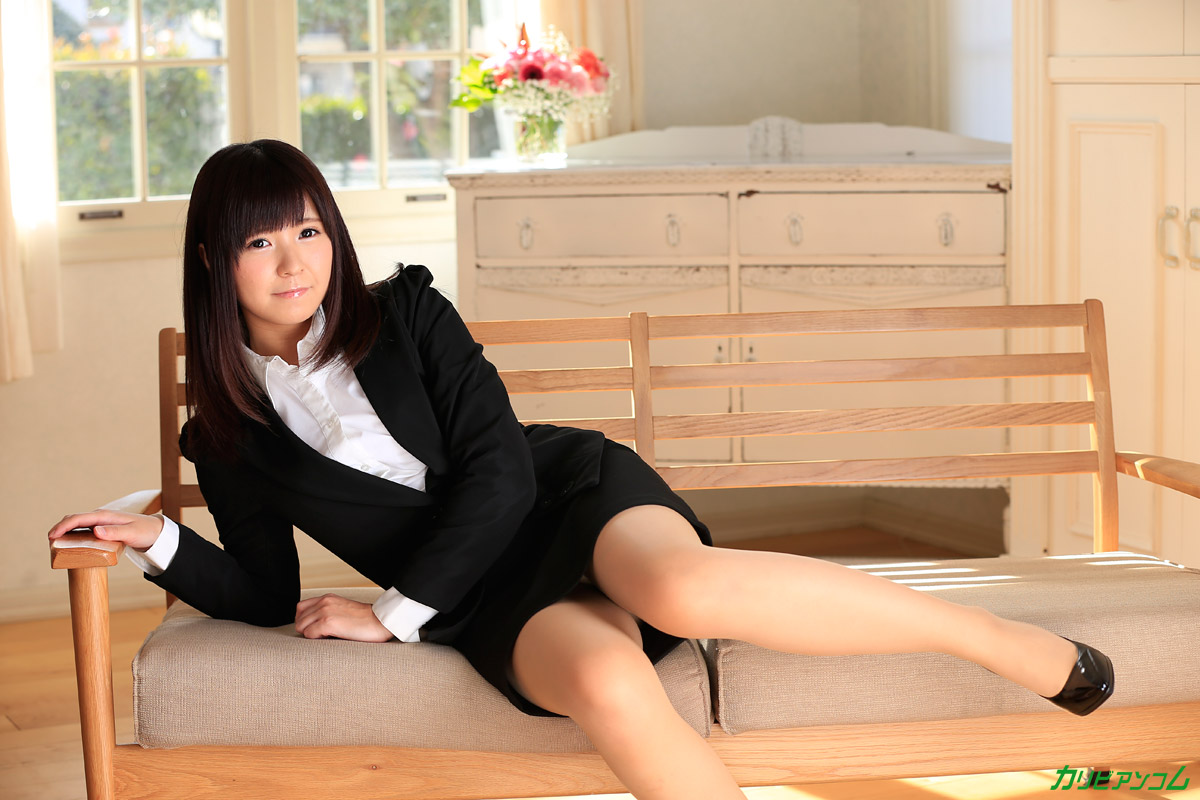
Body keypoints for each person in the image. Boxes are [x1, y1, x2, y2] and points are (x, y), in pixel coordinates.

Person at [47, 139, 1114, 800]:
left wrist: (395, 612)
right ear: (212, 259)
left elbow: (502, 473)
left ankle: (1004, 642)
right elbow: (265, 589)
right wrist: (160, 540)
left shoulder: (408, 311)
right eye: (261, 244)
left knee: (681, 586)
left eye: (310, 230)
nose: (295, 263)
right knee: (608, 681)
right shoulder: (227, 433)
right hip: (484, 596)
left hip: (567, 496)